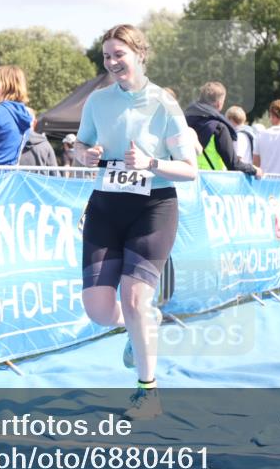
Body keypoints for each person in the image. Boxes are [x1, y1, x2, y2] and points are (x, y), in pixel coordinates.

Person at [74, 24, 197, 420]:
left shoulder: (164, 104)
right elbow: (81, 145)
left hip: (153, 207)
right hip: (106, 207)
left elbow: (191, 169)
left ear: (140, 54)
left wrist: (151, 163)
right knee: (96, 309)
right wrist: (85, 155)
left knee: (134, 298)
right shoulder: (97, 101)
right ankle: (142, 323)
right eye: (106, 56)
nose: (111, 63)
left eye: (119, 55)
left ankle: (148, 393)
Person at [184, 82, 261, 177]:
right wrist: (254, 170)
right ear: (219, 103)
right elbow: (233, 164)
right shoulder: (219, 128)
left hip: (186, 181)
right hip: (210, 182)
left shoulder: (183, 123)